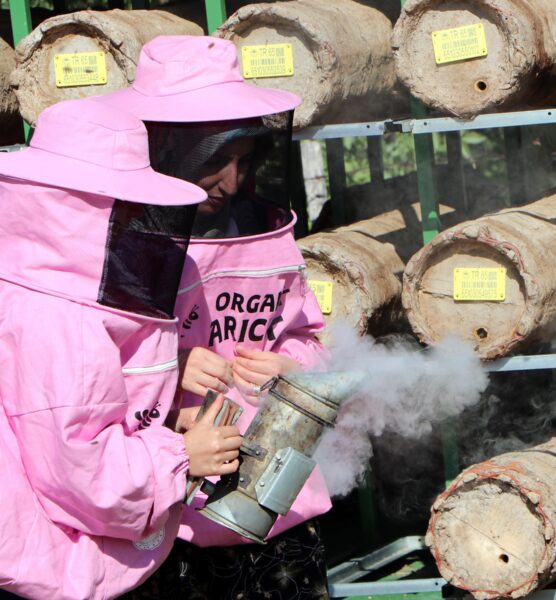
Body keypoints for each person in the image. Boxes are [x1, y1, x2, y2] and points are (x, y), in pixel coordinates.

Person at [100, 36, 332, 599]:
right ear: (165, 150)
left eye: (244, 162)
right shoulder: (111, 245)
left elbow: (308, 337)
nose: (231, 183)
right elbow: (80, 384)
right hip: (165, 521)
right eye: (213, 162)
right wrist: (170, 367)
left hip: (275, 510)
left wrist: (291, 367)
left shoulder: (264, 230)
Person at [0, 98, 243, 599]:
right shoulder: (64, 320)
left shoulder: (22, 281)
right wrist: (181, 455)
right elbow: (83, 473)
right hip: (48, 566)